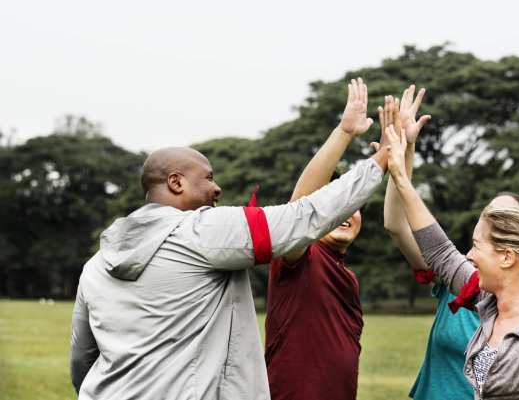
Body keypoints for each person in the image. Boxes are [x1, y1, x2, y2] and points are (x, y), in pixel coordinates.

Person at [69, 78, 390, 400]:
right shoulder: (203, 231)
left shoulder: (95, 265)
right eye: (208, 178)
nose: (217, 188)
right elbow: (303, 216)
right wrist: (382, 159)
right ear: (176, 183)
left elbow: (82, 357)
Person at [382, 123, 519, 399]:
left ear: (507, 256)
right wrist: (400, 176)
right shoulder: (485, 299)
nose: (468, 255)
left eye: (477, 246)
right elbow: (440, 250)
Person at [383, 86, 519, 400]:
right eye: (491, 217)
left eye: (507, 221)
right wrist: (406, 149)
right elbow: (396, 225)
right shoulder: (456, 274)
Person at [264, 78, 377, 400]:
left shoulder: (347, 275)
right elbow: (299, 208)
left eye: (353, 207)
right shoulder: (300, 257)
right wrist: (344, 133)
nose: (345, 214)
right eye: (333, 208)